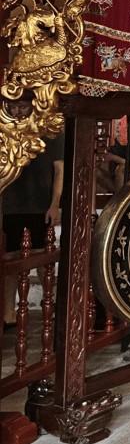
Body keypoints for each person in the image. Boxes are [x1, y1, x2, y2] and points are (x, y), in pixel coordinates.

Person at [2, 94, 64, 331]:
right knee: (9, 260)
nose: (17, 112)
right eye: (12, 107)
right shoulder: (5, 130)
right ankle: (8, 314)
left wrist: (55, 203)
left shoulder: (50, 131)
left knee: (43, 257)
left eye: (22, 106)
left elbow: (59, 170)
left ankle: (52, 307)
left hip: (41, 203)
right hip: (11, 203)